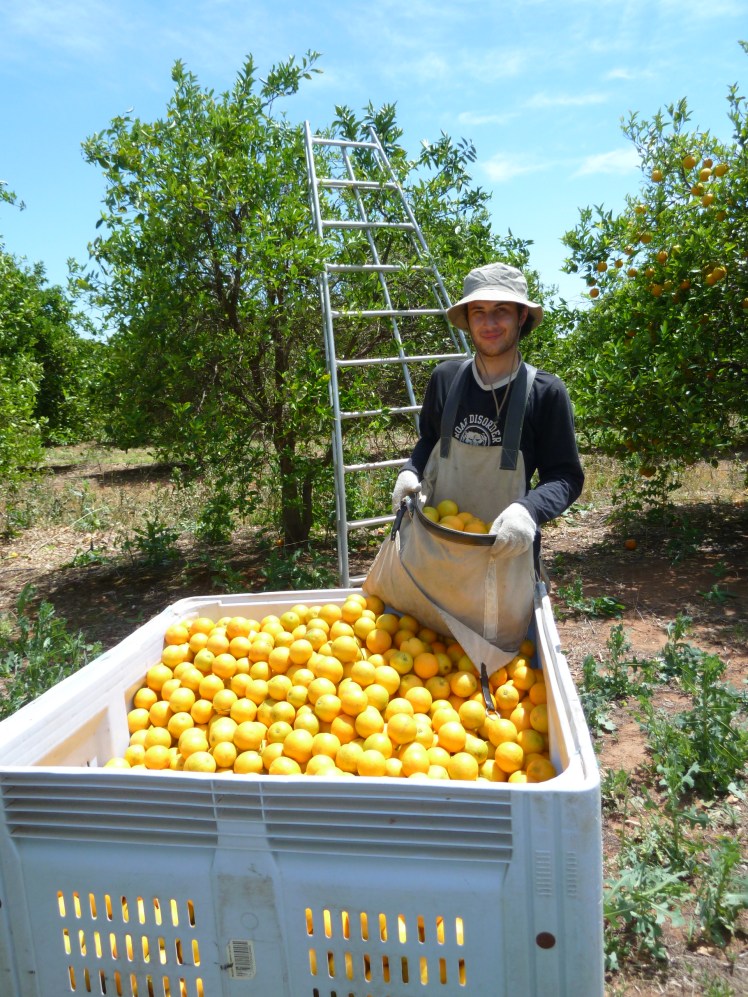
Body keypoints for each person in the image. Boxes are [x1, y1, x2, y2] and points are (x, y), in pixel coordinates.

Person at [391, 261, 584, 568]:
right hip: (435, 548)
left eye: (501, 310)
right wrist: (409, 470)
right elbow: (429, 441)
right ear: (467, 320)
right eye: (478, 311)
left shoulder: (546, 392)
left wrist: (528, 511)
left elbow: (565, 476)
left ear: (522, 316)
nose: (489, 322)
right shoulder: (445, 379)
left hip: (505, 552)